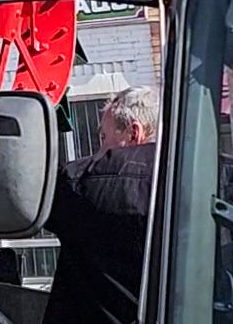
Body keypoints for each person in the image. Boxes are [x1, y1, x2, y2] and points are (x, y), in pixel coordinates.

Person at [43, 86, 158, 324]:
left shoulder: (82, 183)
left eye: (104, 137)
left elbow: (23, 207)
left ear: (134, 133)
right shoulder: (203, 177)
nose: (100, 150)